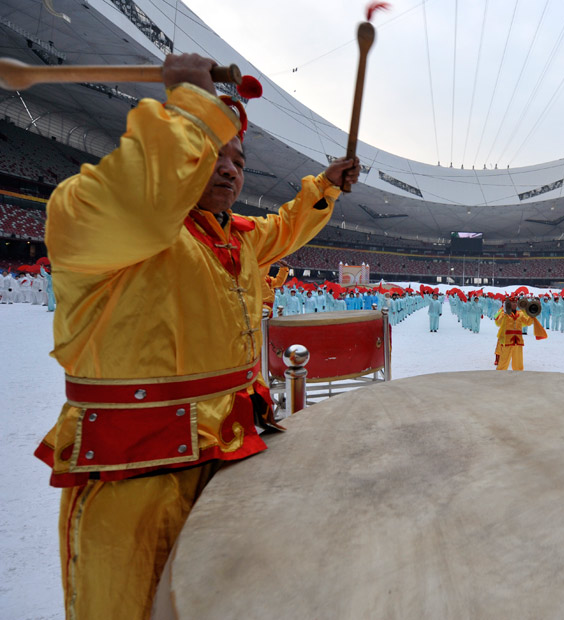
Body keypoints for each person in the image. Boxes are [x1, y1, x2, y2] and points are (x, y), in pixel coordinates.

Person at [32, 54, 360, 620]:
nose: (229, 170)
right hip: (138, 477)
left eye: (238, 161)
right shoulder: (91, 219)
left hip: (232, 459)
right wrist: (190, 107)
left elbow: (284, 227)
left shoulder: (237, 237)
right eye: (210, 153)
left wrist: (325, 186)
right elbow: (141, 197)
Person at [494, 297, 547, 371]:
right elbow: (498, 323)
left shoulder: (520, 314)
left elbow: (527, 322)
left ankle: (518, 375)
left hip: (518, 342)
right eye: (512, 302)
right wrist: (505, 314)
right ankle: (500, 374)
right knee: (503, 361)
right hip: (507, 341)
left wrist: (532, 315)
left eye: (515, 302)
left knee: (518, 363)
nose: (514, 304)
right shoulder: (504, 314)